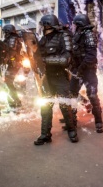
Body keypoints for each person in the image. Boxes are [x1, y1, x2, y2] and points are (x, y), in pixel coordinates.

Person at [34, 14, 78, 145]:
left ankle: (72, 131)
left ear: (47, 25)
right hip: (47, 78)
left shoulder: (63, 36)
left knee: (64, 105)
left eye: (43, 25)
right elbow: (38, 57)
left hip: (60, 76)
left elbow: (66, 59)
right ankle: (45, 134)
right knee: (45, 106)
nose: (41, 28)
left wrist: (45, 61)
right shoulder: (43, 40)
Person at [69, 14, 103, 133]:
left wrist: (80, 68)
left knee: (93, 95)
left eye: (75, 25)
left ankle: (99, 121)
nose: (74, 27)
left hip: (88, 69)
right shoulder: (76, 35)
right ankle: (72, 120)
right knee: (71, 94)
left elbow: (91, 56)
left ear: (79, 25)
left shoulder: (89, 34)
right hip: (77, 68)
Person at [2, 24, 22, 113]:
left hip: (14, 64)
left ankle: (13, 106)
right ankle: (16, 102)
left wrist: (4, 57)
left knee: (8, 83)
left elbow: (11, 52)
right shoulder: (13, 38)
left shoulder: (12, 39)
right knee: (8, 83)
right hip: (13, 64)